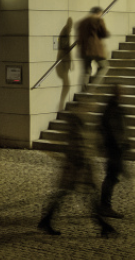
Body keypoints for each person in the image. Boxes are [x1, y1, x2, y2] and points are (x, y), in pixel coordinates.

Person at [38, 101, 114, 237]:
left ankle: (46, 220)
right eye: (87, 106)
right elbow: (76, 144)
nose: (90, 108)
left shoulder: (80, 121)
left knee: (82, 195)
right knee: (82, 195)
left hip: (80, 166)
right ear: (80, 108)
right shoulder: (76, 121)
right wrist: (82, 162)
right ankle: (103, 225)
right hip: (77, 167)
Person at [98, 83, 128, 219]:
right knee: (111, 177)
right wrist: (119, 145)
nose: (122, 93)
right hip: (114, 149)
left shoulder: (113, 107)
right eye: (120, 91)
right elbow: (111, 129)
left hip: (115, 149)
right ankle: (105, 206)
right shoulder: (112, 108)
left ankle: (104, 205)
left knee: (112, 177)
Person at [76, 7, 110, 81]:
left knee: (86, 71)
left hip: (84, 49)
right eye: (101, 14)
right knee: (104, 66)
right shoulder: (98, 20)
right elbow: (104, 33)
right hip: (95, 49)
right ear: (98, 13)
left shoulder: (82, 22)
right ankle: (93, 85)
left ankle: (84, 90)